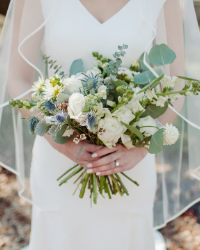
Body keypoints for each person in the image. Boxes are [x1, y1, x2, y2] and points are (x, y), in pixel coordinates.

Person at [0, 0, 200, 249]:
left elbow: (176, 86)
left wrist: (140, 148)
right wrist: (62, 143)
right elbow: (18, 80)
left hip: (129, 162)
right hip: (57, 162)